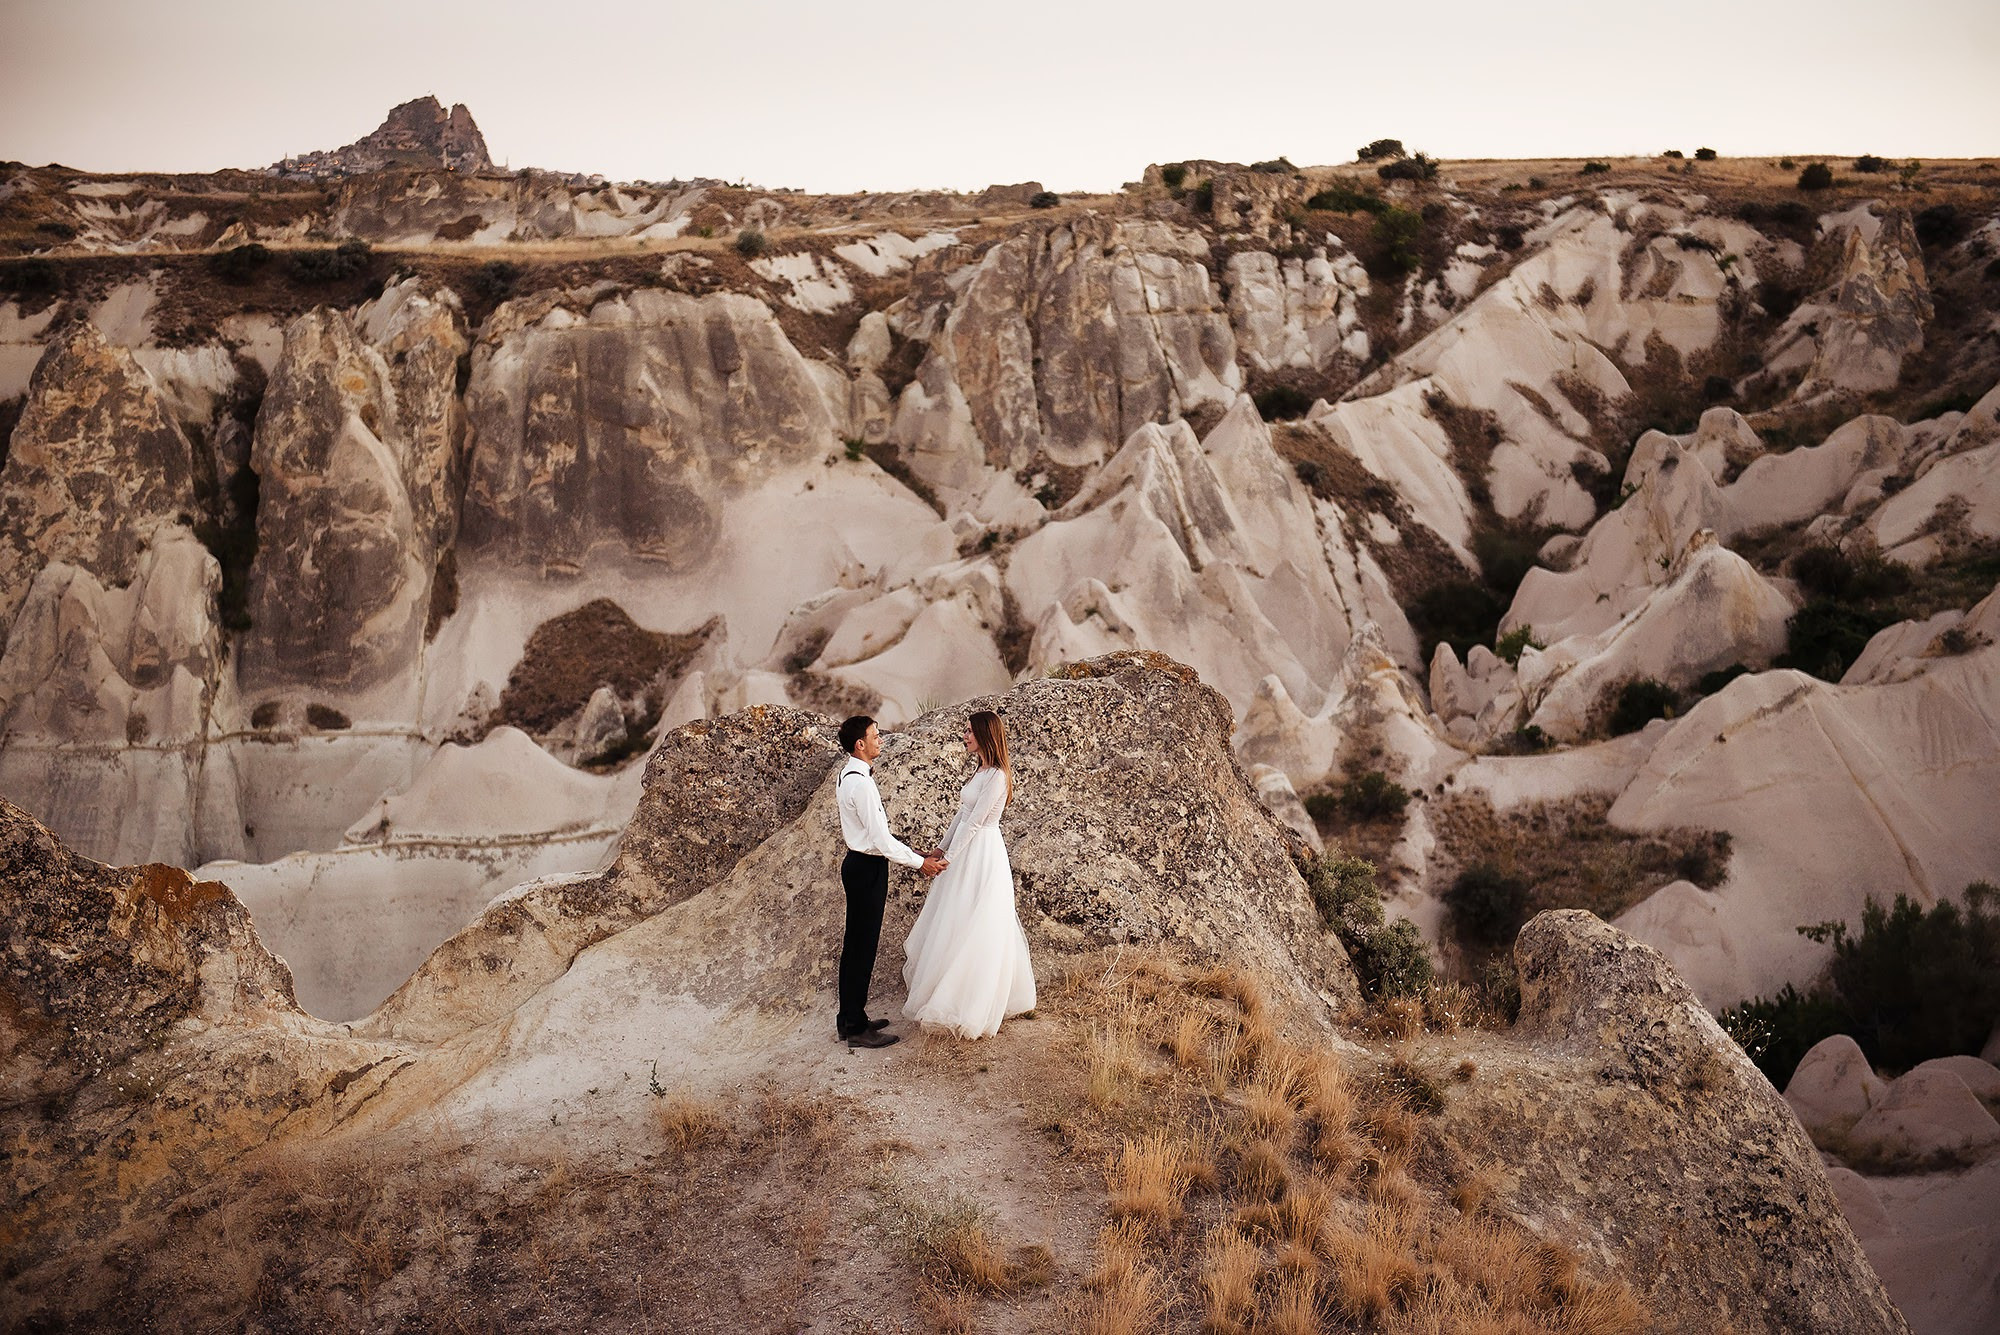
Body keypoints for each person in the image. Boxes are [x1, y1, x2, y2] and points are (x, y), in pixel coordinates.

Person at [901, 709, 1036, 1039]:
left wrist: (949, 858)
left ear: (985, 735)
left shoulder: (998, 777)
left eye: (970, 732)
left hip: (983, 852)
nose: (965, 736)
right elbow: (962, 815)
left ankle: (971, 1001)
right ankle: (945, 988)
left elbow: (976, 822)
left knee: (980, 920)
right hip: (964, 850)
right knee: (955, 918)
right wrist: (940, 849)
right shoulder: (980, 771)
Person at [834, 715, 945, 1049]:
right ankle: (856, 1027)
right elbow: (880, 841)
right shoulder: (861, 784)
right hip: (867, 867)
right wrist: (920, 863)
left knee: (855, 945)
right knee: (862, 947)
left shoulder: (848, 774)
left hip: (859, 864)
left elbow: (876, 835)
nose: (880, 740)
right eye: (875, 736)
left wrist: (911, 851)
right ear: (860, 745)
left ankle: (849, 1019)